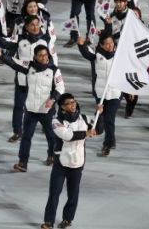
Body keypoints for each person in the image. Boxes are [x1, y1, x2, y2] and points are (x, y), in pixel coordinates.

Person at [0, 45, 64, 171]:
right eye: (40, 55)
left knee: (51, 136)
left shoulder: (54, 70)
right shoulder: (29, 66)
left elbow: (60, 88)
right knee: (26, 137)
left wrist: (52, 100)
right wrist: (0, 55)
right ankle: (23, 162)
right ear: (35, 56)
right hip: (31, 110)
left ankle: (51, 156)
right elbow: (13, 62)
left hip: (46, 110)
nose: (43, 57)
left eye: (45, 55)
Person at [41, 94, 103, 229]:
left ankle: (67, 219)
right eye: (69, 103)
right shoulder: (56, 121)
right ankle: (48, 221)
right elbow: (67, 136)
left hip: (78, 161)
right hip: (61, 162)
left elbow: (99, 130)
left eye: (74, 102)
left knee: (73, 193)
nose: (73, 104)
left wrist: (99, 114)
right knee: (54, 192)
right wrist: (86, 133)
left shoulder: (85, 119)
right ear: (62, 107)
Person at [0, 15, 58, 143]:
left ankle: (49, 127)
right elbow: (5, 43)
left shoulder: (45, 39)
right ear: (26, 27)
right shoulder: (19, 39)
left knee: (48, 104)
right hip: (23, 79)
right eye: (32, 25)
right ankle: (17, 131)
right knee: (19, 106)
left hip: (41, 80)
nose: (35, 27)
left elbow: (51, 58)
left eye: (37, 24)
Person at [77, 33, 121, 156]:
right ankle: (108, 138)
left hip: (115, 93)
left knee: (109, 118)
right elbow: (87, 53)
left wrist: (130, 90)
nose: (110, 45)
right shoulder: (97, 55)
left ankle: (108, 143)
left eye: (111, 43)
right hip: (100, 92)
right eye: (107, 43)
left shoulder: (119, 55)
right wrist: (82, 45)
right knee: (102, 116)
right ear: (101, 45)